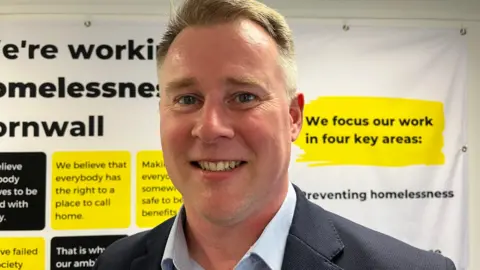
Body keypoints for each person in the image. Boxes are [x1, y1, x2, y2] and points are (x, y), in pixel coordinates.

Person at [92, 0, 457, 269]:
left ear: (293, 116)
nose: (210, 127)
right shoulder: (114, 264)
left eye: (244, 96)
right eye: (187, 98)